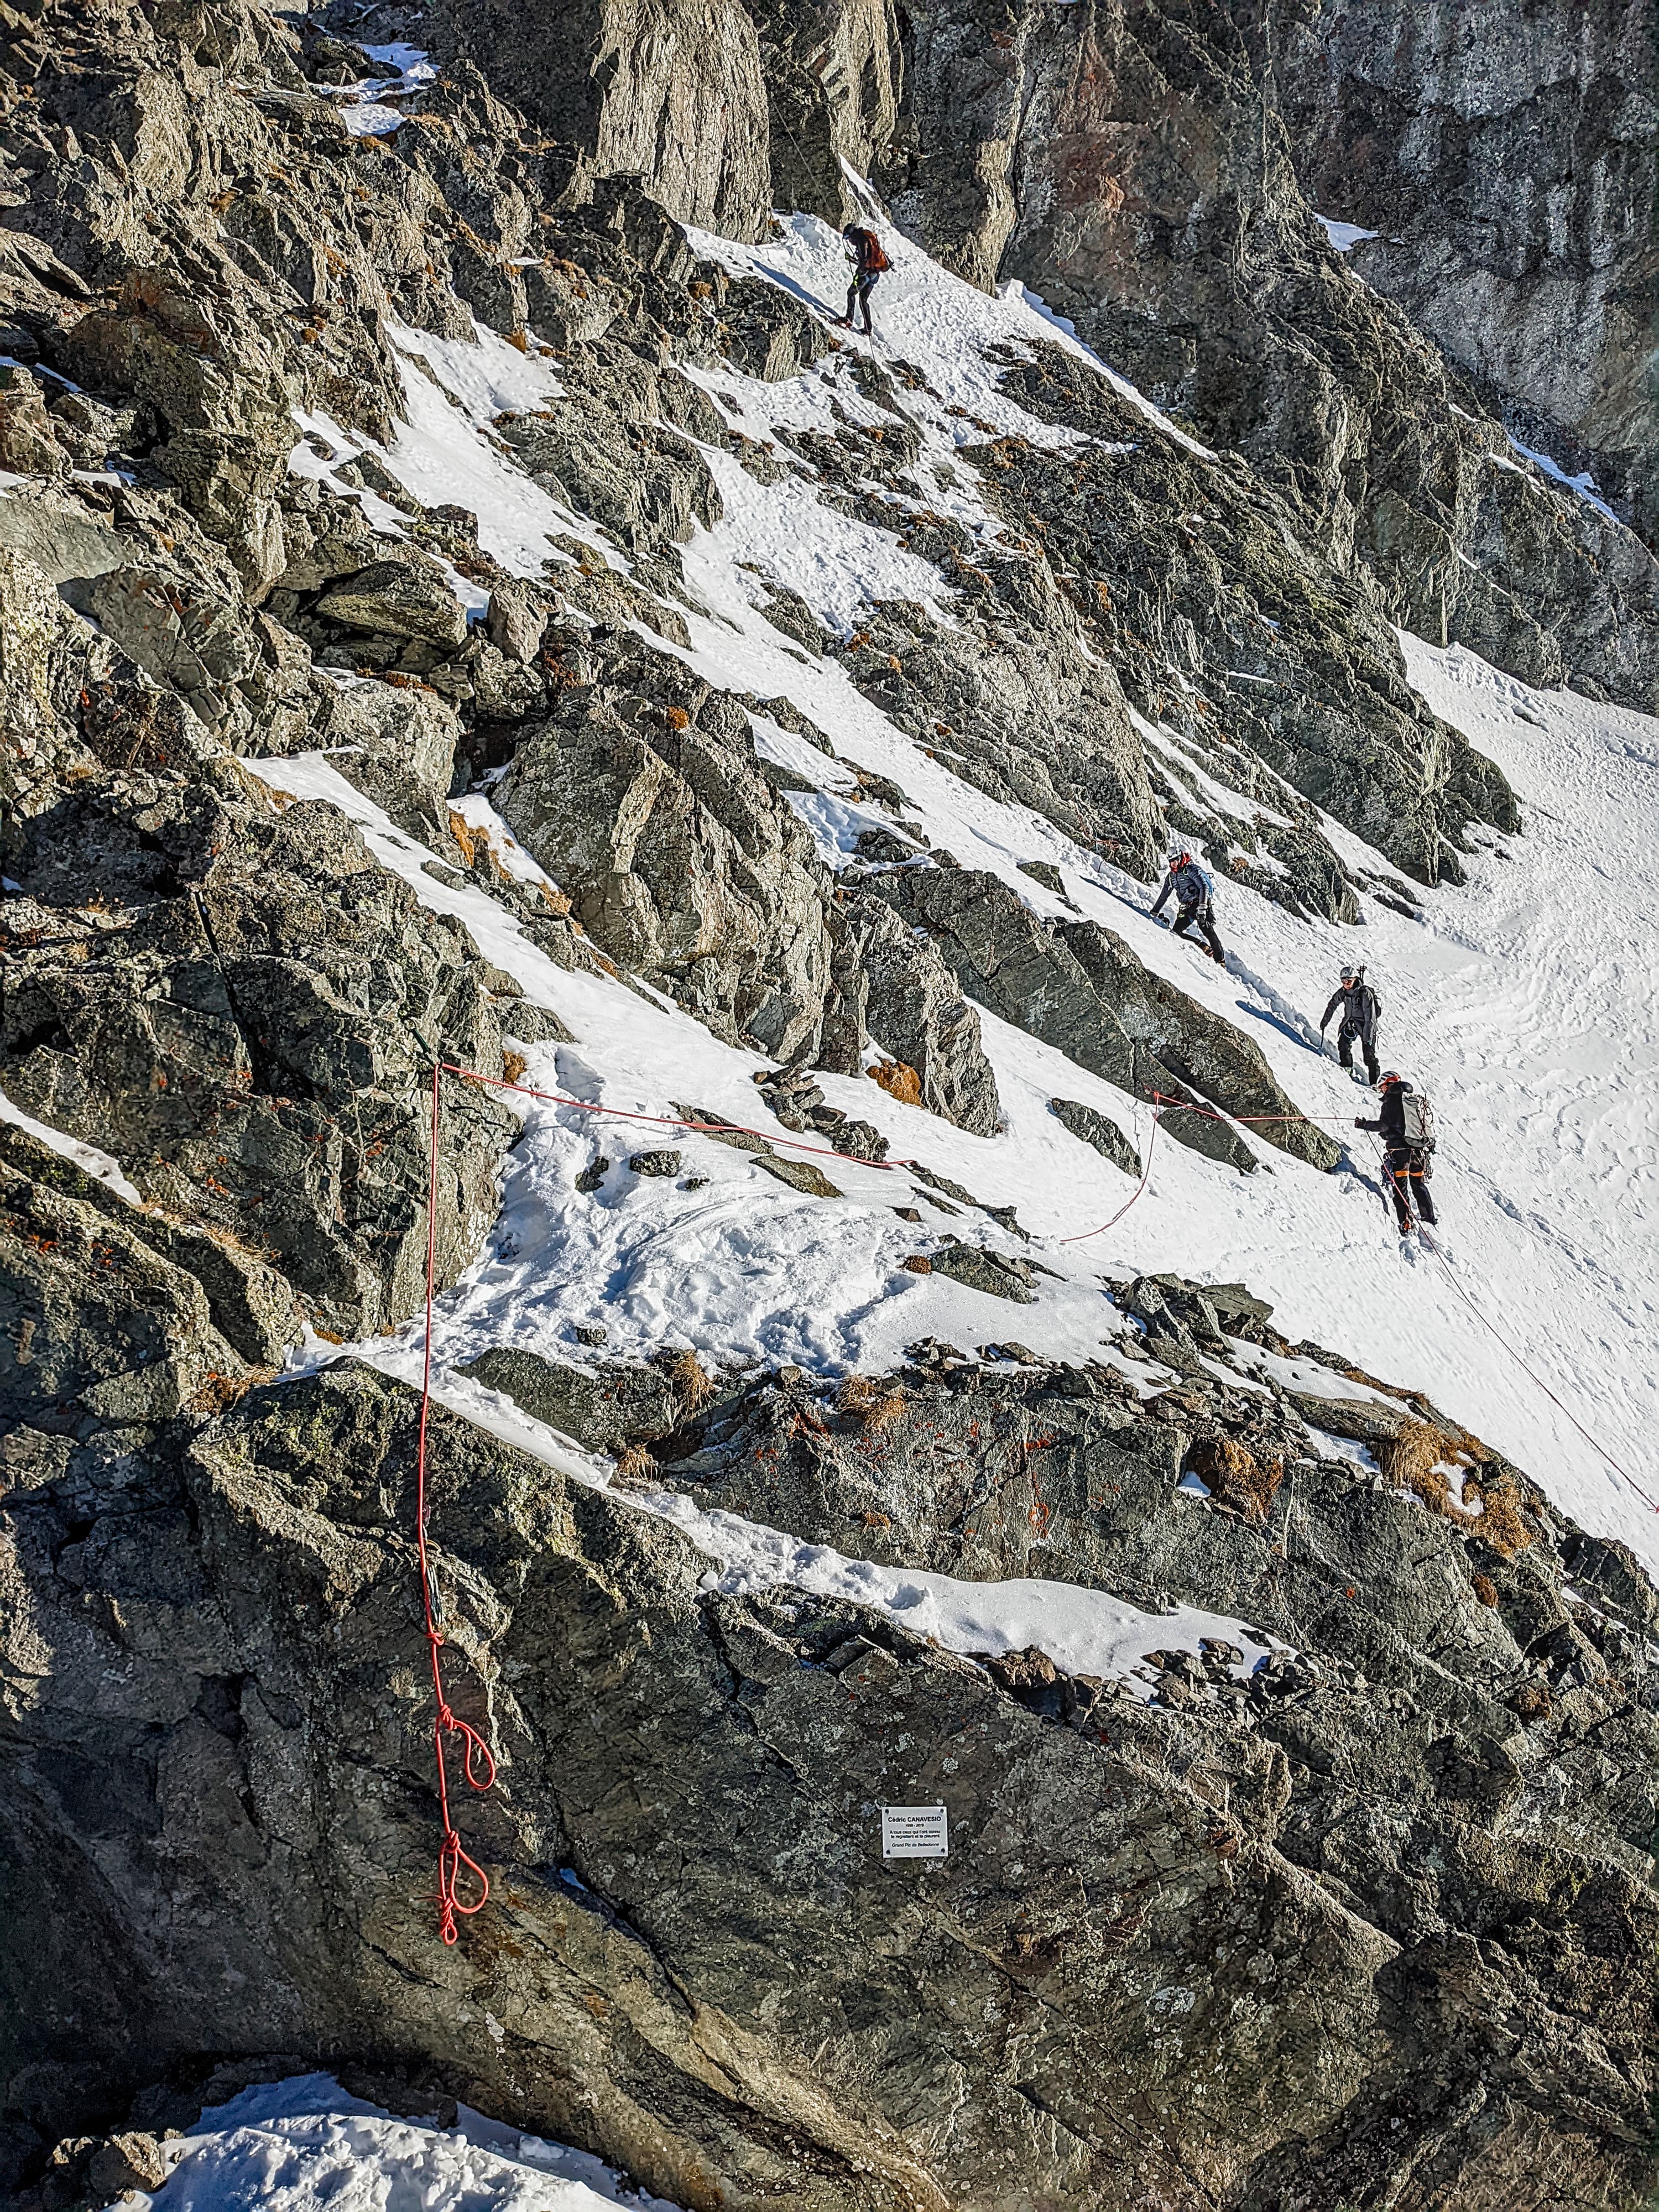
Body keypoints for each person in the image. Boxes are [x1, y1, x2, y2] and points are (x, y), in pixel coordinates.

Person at [1355, 1071, 1438, 1234]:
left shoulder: (1392, 1101)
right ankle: (1429, 1219)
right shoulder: (1411, 1099)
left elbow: (1384, 1125)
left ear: (1387, 1085)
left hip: (1400, 1154)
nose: (1382, 1091)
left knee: (1400, 1188)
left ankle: (1405, 1223)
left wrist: (1364, 1125)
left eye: (1382, 1088)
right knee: (1418, 1184)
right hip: (1419, 1152)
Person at [1149, 848, 1225, 964]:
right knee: (1177, 932)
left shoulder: (1191, 869)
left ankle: (1220, 960)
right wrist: (1154, 912)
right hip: (1187, 907)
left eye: (1176, 860)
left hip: (1200, 904)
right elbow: (1164, 895)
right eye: (1172, 862)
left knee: (1207, 930)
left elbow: (1204, 887)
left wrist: (1203, 908)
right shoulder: (1171, 877)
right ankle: (1202, 945)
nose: (1174, 864)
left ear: (1180, 858)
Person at [1320, 963, 1381, 1085]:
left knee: (1369, 1056)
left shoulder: (1365, 993)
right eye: (1343, 981)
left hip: (1367, 1026)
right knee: (1343, 1044)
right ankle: (1347, 1067)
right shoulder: (1343, 992)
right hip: (1351, 1024)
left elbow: (1371, 1016)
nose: (1346, 984)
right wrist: (1325, 1021)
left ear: (1355, 979)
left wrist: (1368, 1036)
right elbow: (1332, 1004)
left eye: (1349, 980)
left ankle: (1375, 1083)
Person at [839, 224, 889, 336]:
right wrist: (852, 260)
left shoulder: (861, 241)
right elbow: (866, 260)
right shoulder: (865, 238)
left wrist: (858, 272)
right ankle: (868, 328)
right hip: (875, 275)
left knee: (851, 293)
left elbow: (864, 260)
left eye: (848, 238)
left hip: (866, 274)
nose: (849, 242)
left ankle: (849, 319)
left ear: (852, 235)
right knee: (863, 300)